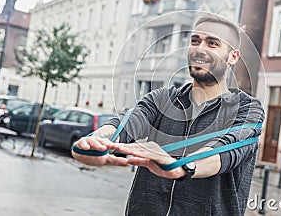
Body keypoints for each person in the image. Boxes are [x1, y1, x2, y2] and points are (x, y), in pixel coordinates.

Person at [72, 14, 265, 215]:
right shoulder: (161, 99)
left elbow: (226, 151)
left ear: (232, 56)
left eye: (212, 43)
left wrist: (183, 166)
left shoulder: (247, 109)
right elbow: (125, 123)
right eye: (195, 41)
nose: (199, 49)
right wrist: (96, 142)